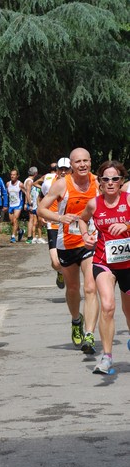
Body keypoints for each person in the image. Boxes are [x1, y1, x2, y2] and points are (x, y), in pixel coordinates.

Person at [38, 147, 99, 354]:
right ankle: (76, 321)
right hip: (67, 243)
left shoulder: (98, 183)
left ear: (90, 162)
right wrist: (59, 218)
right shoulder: (62, 185)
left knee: (91, 288)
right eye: (77, 162)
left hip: (90, 242)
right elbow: (41, 209)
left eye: (85, 161)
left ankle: (89, 334)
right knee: (73, 289)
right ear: (71, 165)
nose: (82, 165)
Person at [79, 160, 130, 374]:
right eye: (106, 179)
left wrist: (127, 225)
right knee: (108, 306)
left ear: (121, 181)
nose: (110, 183)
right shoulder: (94, 203)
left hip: (128, 263)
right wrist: (85, 236)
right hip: (103, 261)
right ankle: (107, 357)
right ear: (100, 182)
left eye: (115, 179)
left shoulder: (129, 200)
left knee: (129, 312)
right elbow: (82, 220)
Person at [40, 158, 72, 289]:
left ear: (71, 170)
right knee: (56, 262)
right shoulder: (48, 183)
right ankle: (59, 272)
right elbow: (42, 199)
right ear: (57, 170)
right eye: (61, 169)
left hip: (70, 225)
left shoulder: (77, 184)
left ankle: (72, 283)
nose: (63, 172)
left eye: (66, 169)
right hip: (53, 224)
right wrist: (42, 213)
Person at [6, 169, 27, 243]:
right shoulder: (8, 184)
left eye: (14, 175)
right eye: (11, 174)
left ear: (17, 176)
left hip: (18, 204)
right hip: (11, 204)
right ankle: (20, 231)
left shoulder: (20, 184)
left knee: (15, 219)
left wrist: (26, 203)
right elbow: (6, 194)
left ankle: (13, 236)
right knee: (12, 222)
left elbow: (26, 193)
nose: (12, 176)